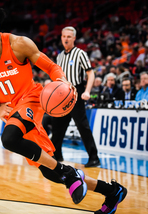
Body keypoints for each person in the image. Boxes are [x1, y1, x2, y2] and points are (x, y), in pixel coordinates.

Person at [0, 3, 127, 213]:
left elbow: (51, 67)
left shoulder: (18, 44)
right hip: (11, 110)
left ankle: (68, 172)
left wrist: (63, 83)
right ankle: (112, 192)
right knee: (50, 170)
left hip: (32, 99)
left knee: (9, 139)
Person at [51, 26, 100, 167]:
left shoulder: (80, 54)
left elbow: (90, 73)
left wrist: (87, 91)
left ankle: (94, 157)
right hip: (61, 93)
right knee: (57, 126)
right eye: (63, 36)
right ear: (61, 37)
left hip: (76, 92)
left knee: (82, 125)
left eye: (68, 37)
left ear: (74, 38)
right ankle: (57, 155)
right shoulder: (59, 56)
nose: (65, 39)